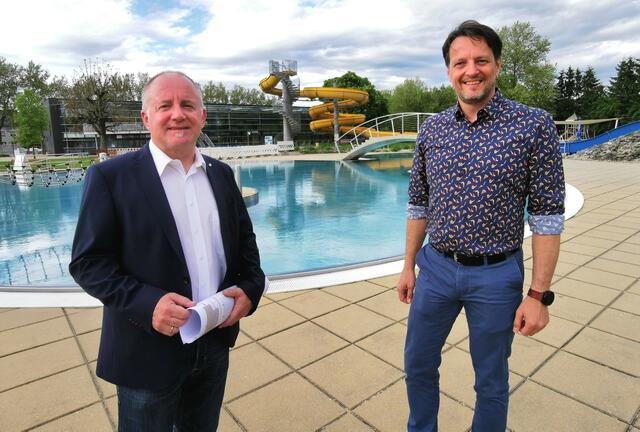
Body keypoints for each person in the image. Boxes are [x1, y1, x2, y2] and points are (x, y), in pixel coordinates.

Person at [70, 71, 265, 431]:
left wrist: (251, 292)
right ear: (146, 118)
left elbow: (246, 247)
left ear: (202, 116)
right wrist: (148, 304)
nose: (178, 114)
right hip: (146, 349)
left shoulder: (222, 175)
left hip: (213, 340)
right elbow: (88, 263)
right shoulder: (111, 178)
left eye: (188, 105)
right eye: (165, 105)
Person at [397, 20, 564, 432]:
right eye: (461, 63)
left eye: (481, 60)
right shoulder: (432, 130)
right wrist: (406, 266)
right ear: (449, 71)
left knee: (490, 380)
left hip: (496, 276)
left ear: (498, 65)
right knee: (417, 364)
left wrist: (538, 296)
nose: (471, 70)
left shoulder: (533, 125)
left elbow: (546, 216)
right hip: (434, 269)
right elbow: (418, 203)